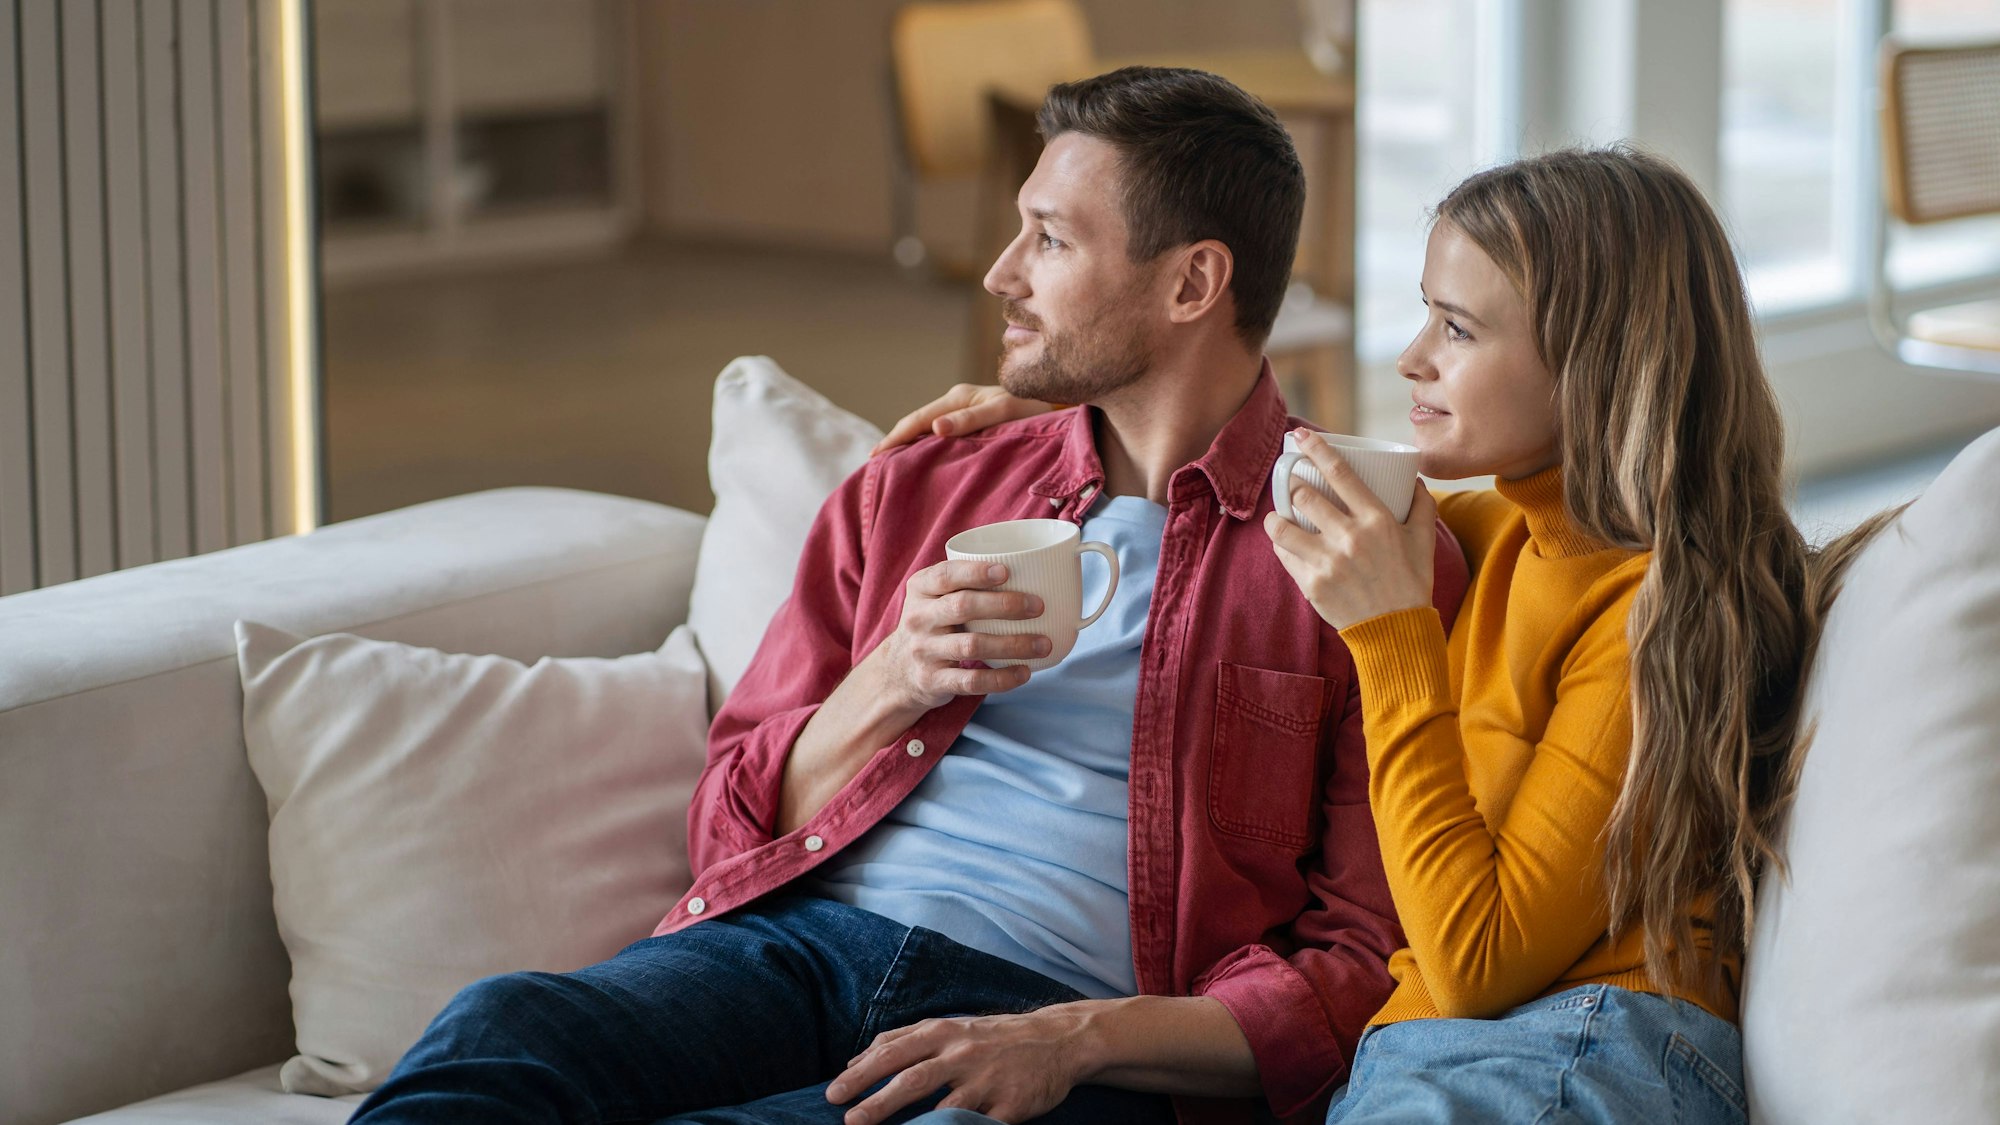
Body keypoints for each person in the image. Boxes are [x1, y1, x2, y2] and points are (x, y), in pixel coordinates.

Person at [348, 67, 1467, 1125]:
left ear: (1190, 283)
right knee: (506, 1027)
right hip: (796, 950)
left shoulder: (1355, 552)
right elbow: (729, 827)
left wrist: (1077, 1041)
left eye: (1050, 239)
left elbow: (1358, 962)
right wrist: (892, 679)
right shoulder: (925, 481)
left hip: (1061, 1021)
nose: (999, 273)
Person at [887, 146, 1810, 1124]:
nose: (1412, 356)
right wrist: (1080, 419)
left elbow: (1473, 966)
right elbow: (1260, 491)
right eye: (1424, 312)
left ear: (1597, 361)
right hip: (1420, 1057)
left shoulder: (1650, 608)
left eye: (1455, 328)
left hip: (1571, 1045)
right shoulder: (1492, 532)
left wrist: (1391, 636)